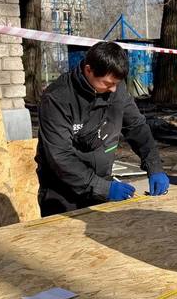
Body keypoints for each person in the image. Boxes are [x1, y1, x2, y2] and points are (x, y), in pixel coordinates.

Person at [35, 41, 169, 216]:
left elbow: (136, 126)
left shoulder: (116, 89)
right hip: (62, 191)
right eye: (107, 83)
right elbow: (59, 156)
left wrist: (154, 165)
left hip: (101, 182)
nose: (113, 89)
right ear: (88, 70)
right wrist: (103, 188)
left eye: (117, 83)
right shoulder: (57, 99)